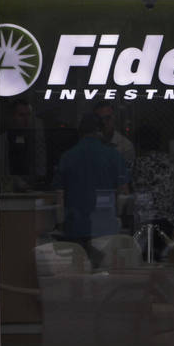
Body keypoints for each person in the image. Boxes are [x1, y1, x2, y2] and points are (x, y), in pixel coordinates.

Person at [54, 112, 129, 267]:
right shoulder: (114, 156)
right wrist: (119, 218)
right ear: (99, 131)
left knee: (77, 274)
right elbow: (123, 193)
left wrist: (61, 224)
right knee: (103, 273)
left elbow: (59, 197)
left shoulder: (67, 157)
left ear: (80, 133)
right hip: (105, 226)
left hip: (75, 227)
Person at [130, 125, 174, 262]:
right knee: (161, 257)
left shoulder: (140, 163)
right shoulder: (168, 161)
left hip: (147, 218)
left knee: (145, 258)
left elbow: (136, 188)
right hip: (168, 218)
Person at [0, 97, 47, 192]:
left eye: (28, 115)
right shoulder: (2, 141)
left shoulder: (37, 140)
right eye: (21, 115)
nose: (26, 119)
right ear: (12, 116)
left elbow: (41, 168)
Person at [93, 101, 135, 168]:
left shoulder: (125, 146)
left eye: (107, 118)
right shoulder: (90, 143)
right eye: (100, 119)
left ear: (114, 118)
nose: (103, 122)